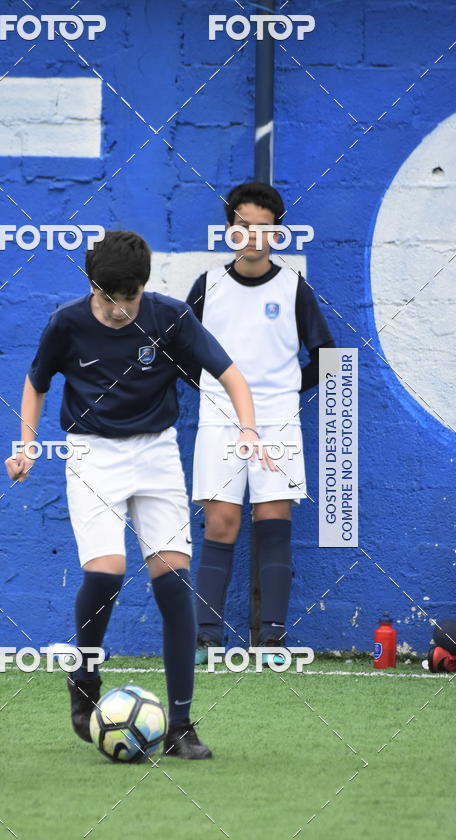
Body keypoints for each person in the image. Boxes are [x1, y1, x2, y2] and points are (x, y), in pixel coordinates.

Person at [5, 230, 274, 759]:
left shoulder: (169, 316)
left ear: (143, 288)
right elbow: (36, 382)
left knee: (174, 584)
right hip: (92, 454)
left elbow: (231, 375)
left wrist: (248, 428)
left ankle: (181, 726)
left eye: (128, 298)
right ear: (92, 285)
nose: (118, 309)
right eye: (107, 298)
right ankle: (85, 675)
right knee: (105, 573)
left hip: (156, 453)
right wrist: (27, 445)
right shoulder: (66, 322)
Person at [188, 182, 335, 665]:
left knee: (273, 522)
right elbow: (179, 351)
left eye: (265, 228)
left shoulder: (293, 287)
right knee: (221, 522)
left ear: (278, 233)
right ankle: (207, 638)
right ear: (229, 229)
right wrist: (213, 390)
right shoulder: (209, 285)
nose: (253, 236)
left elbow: (326, 355)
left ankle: (271, 638)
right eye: (244, 226)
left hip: (276, 421)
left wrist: (286, 390)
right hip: (219, 419)